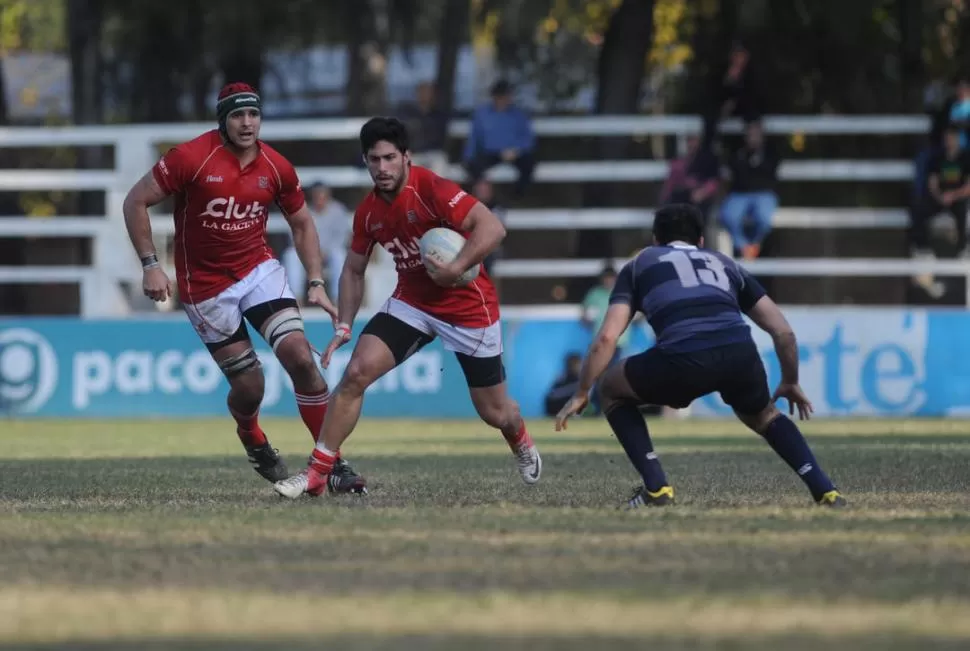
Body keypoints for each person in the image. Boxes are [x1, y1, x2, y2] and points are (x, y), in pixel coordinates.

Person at [274, 116, 542, 498]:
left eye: (389, 158)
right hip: (412, 303)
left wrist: (456, 266)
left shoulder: (432, 188)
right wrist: (345, 325)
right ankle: (319, 471)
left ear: (406, 157)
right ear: (365, 162)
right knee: (355, 376)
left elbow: (493, 228)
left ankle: (519, 436)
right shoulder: (367, 211)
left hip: (468, 308)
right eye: (373, 160)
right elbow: (353, 268)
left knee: (495, 412)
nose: (382, 168)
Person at [121, 82, 365, 493]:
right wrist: (151, 265)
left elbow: (303, 222)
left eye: (253, 114)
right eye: (238, 115)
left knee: (300, 359)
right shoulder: (191, 158)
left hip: (258, 271)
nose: (247, 123)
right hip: (206, 287)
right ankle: (251, 434)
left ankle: (332, 463)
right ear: (223, 120)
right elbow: (134, 201)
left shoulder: (276, 167)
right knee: (251, 386)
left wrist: (317, 281)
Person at [554, 204, 846, 510]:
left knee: (612, 389)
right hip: (739, 354)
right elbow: (783, 332)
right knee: (766, 416)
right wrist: (790, 380)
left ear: (655, 240)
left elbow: (606, 338)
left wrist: (583, 390)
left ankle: (656, 487)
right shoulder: (724, 263)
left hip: (683, 358)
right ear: (701, 242)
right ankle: (825, 490)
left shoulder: (640, 264)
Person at [281, 181, 352, 300]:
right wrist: (310, 253)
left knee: (340, 255)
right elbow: (294, 236)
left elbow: (342, 237)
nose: (320, 198)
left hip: (329, 254)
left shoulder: (338, 210)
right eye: (317, 195)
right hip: (306, 254)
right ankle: (296, 299)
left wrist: (324, 252)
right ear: (312, 196)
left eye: (322, 195)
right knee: (290, 255)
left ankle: (338, 299)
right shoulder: (302, 210)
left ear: (328, 196)